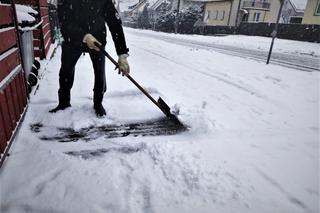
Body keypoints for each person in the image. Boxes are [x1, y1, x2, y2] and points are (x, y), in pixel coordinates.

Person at [50, 0, 130, 117]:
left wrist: (122, 54)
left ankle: (98, 103)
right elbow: (64, 23)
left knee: (99, 73)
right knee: (66, 71)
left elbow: (115, 23)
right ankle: (64, 102)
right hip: (73, 40)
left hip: (97, 41)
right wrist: (84, 36)